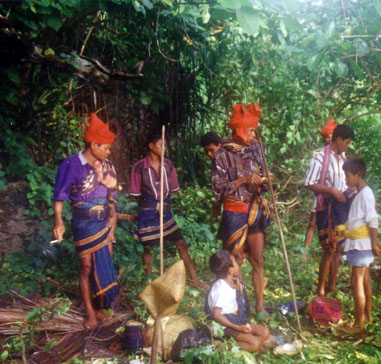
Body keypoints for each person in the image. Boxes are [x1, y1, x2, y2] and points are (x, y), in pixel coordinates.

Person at [52, 113, 119, 328]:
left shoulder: (107, 166)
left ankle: (100, 307)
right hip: (83, 222)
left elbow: (113, 200)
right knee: (86, 266)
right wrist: (59, 222)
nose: (108, 152)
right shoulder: (71, 164)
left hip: (103, 222)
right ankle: (89, 311)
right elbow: (59, 196)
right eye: (106, 148)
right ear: (93, 144)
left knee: (102, 263)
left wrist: (112, 187)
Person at [211, 103, 270, 313]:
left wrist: (265, 180)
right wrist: (243, 179)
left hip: (255, 210)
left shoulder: (256, 151)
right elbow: (218, 190)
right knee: (235, 261)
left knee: (258, 259)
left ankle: (260, 307)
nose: (254, 134)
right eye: (252, 130)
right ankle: (238, 306)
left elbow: (264, 179)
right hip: (234, 211)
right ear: (240, 130)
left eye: (255, 130)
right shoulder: (222, 155)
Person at [129, 132, 207, 289]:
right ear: (151, 146)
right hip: (148, 214)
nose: (164, 148)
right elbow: (136, 195)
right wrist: (151, 205)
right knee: (148, 249)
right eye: (161, 144)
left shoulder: (168, 165)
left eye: (165, 144)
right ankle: (150, 285)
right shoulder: (139, 168)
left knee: (181, 243)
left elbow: (172, 189)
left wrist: (162, 205)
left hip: (166, 213)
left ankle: (194, 279)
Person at [304, 124, 355, 296]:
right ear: (338, 140)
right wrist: (332, 190)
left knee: (338, 248)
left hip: (341, 209)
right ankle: (321, 289)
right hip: (326, 208)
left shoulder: (342, 159)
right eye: (346, 142)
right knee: (329, 249)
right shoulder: (320, 158)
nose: (347, 146)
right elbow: (310, 183)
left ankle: (332, 286)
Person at [340, 157, 381, 327]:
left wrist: (374, 242)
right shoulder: (360, 194)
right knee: (364, 280)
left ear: (358, 175)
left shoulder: (366, 194)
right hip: (359, 244)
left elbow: (372, 220)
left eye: (348, 176)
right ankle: (366, 317)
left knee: (356, 281)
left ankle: (359, 324)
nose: (346, 179)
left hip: (361, 245)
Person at [205, 250, 272, 352]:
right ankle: (223, 346)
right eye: (235, 261)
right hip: (224, 326)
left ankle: (246, 342)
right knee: (255, 343)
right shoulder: (220, 289)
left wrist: (240, 326)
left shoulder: (233, 280)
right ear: (230, 270)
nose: (238, 263)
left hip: (237, 320)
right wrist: (237, 328)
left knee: (265, 332)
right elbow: (217, 315)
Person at [303, 119, 336, 258]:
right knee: (313, 223)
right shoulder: (320, 155)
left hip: (334, 199)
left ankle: (332, 251)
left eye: (329, 137)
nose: (327, 140)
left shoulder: (340, 155)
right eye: (325, 137)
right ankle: (305, 252)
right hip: (322, 196)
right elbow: (312, 180)